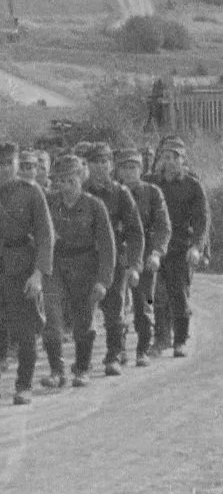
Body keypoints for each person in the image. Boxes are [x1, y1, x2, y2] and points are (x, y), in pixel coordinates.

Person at [0, 143, 54, 408]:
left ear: (18, 164)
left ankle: (24, 385)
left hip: (22, 268)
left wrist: (39, 274)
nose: (5, 169)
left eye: (10, 163)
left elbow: (45, 235)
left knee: (25, 331)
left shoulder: (32, 192)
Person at [41, 154, 116, 389]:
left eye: (71, 179)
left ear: (81, 178)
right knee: (51, 319)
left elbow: (107, 245)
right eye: (61, 180)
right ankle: (57, 371)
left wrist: (103, 280)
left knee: (84, 321)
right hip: (56, 266)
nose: (66, 185)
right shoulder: (50, 204)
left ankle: (82, 368)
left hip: (86, 267)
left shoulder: (95, 206)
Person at [80, 142, 144, 375]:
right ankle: (83, 359)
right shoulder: (80, 191)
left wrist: (135, 264)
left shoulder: (120, 193)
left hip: (114, 258)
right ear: (87, 165)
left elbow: (135, 231)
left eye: (104, 161)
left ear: (111, 165)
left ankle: (114, 355)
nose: (100, 167)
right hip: (84, 259)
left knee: (114, 309)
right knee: (83, 311)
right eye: (95, 162)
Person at [149, 135, 211, 356]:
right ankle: (161, 338)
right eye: (165, 157)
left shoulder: (192, 186)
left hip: (181, 248)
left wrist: (197, 247)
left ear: (183, 160)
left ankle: (180, 340)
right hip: (157, 247)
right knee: (157, 295)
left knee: (179, 295)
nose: (170, 162)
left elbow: (202, 220)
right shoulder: (152, 183)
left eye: (175, 158)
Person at [113, 146, 171, 366]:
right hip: (119, 253)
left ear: (141, 168)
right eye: (125, 167)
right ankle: (118, 350)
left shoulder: (153, 192)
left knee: (144, 302)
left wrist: (157, 253)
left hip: (145, 252)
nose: (129, 172)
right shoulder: (113, 192)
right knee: (116, 306)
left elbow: (163, 226)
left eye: (134, 167)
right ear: (118, 170)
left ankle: (143, 349)